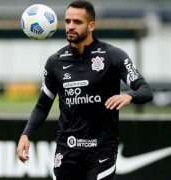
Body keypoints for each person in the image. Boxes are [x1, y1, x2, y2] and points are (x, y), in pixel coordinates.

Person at [16, 1, 153, 180]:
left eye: (77, 22)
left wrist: (129, 95)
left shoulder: (113, 56)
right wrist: (26, 135)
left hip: (101, 150)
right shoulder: (55, 62)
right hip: (67, 151)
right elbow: (43, 105)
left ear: (91, 26)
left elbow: (146, 90)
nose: (71, 26)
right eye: (68, 21)